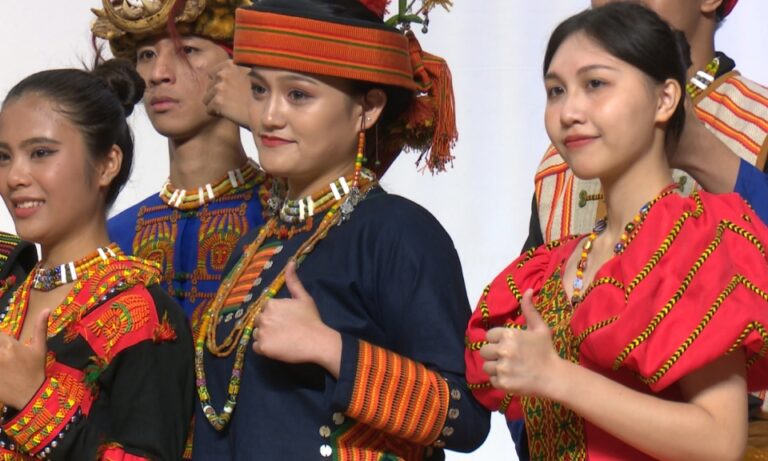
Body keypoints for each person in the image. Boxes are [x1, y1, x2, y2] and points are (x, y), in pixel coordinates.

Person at [465, 3, 768, 460]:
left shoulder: (700, 243)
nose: (569, 111)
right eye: (555, 90)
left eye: (595, 84)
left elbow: (719, 443)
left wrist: (555, 376)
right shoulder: (554, 264)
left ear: (665, 100)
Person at [191, 0, 490, 458]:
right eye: (259, 90)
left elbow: (466, 418)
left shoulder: (397, 232)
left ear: (367, 109)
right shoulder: (256, 242)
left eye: (298, 95)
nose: (269, 116)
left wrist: (331, 348)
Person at [0, 60, 193, 460]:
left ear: (107, 164)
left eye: (40, 153)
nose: (15, 176)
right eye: (3, 157)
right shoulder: (9, 292)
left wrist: (35, 403)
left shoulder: (142, 316)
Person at [527, 0, 768, 250]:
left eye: (595, 84)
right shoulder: (563, 159)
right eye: (557, 90)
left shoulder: (759, 121)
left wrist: (699, 150)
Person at [91, 0, 269, 318]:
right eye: (147, 55)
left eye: (187, 50)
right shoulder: (114, 240)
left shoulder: (287, 216)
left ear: (239, 65)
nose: (158, 74)